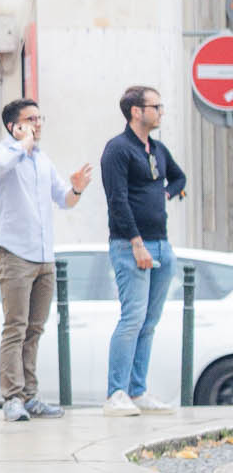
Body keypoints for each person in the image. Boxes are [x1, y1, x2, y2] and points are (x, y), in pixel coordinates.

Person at [0, 99, 93, 421]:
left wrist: (76, 189)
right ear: (13, 126)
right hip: (16, 253)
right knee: (15, 328)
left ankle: (31, 395)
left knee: (35, 329)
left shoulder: (43, 161)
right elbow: (0, 167)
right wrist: (24, 143)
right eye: (30, 119)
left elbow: (63, 199)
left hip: (44, 257)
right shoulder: (2, 153)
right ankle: (12, 398)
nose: (38, 123)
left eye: (39, 117)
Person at [101, 85, 186, 416]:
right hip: (130, 245)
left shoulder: (157, 149)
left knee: (149, 321)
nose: (161, 112)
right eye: (156, 106)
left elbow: (179, 178)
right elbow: (117, 201)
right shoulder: (118, 150)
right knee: (132, 318)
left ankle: (137, 391)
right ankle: (116, 394)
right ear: (136, 111)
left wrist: (164, 194)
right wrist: (137, 244)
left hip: (162, 243)